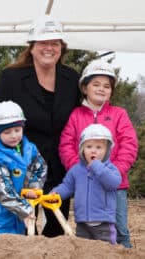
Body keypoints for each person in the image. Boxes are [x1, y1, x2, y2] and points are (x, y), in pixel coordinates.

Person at [0, 15, 80, 237]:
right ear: (32, 47)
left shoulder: (72, 79)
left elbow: (76, 123)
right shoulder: (11, 78)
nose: (49, 48)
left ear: (62, 48)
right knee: (19, 231)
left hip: (59, 169)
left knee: (56, 232)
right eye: (43, 43)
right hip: (20, 167)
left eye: (55, 43)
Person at [59, 59, 138, 248]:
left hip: (114, 186)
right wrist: (78, 170)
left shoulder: (119, 114)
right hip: (87, 186)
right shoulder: (76, 115)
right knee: (86, 231)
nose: (102, 89)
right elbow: (66, 144)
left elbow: (129, 144)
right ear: (85, 88)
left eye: (107, 86)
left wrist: (115, 171)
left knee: (118, 229)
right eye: (96, 84)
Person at [0, 101, 47, 234]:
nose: (14, 135)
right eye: (7, 132)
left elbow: (40, 167)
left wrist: (33, 187)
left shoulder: (29, 149)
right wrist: (25, 210)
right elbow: (3, 191)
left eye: (17, 130)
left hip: (19, 216)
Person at [52, 124, 121, 244]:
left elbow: (113, 183)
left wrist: (98, 167)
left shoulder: (109, 168)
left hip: (103, 222)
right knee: (83, 251)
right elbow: (67, 186)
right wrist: (57, 193)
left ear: (107, 150)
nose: (93, 150)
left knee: (106, 252)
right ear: (82, 149)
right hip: (82, 222)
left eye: (99, 147)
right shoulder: (76, 170)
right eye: (89, 146)